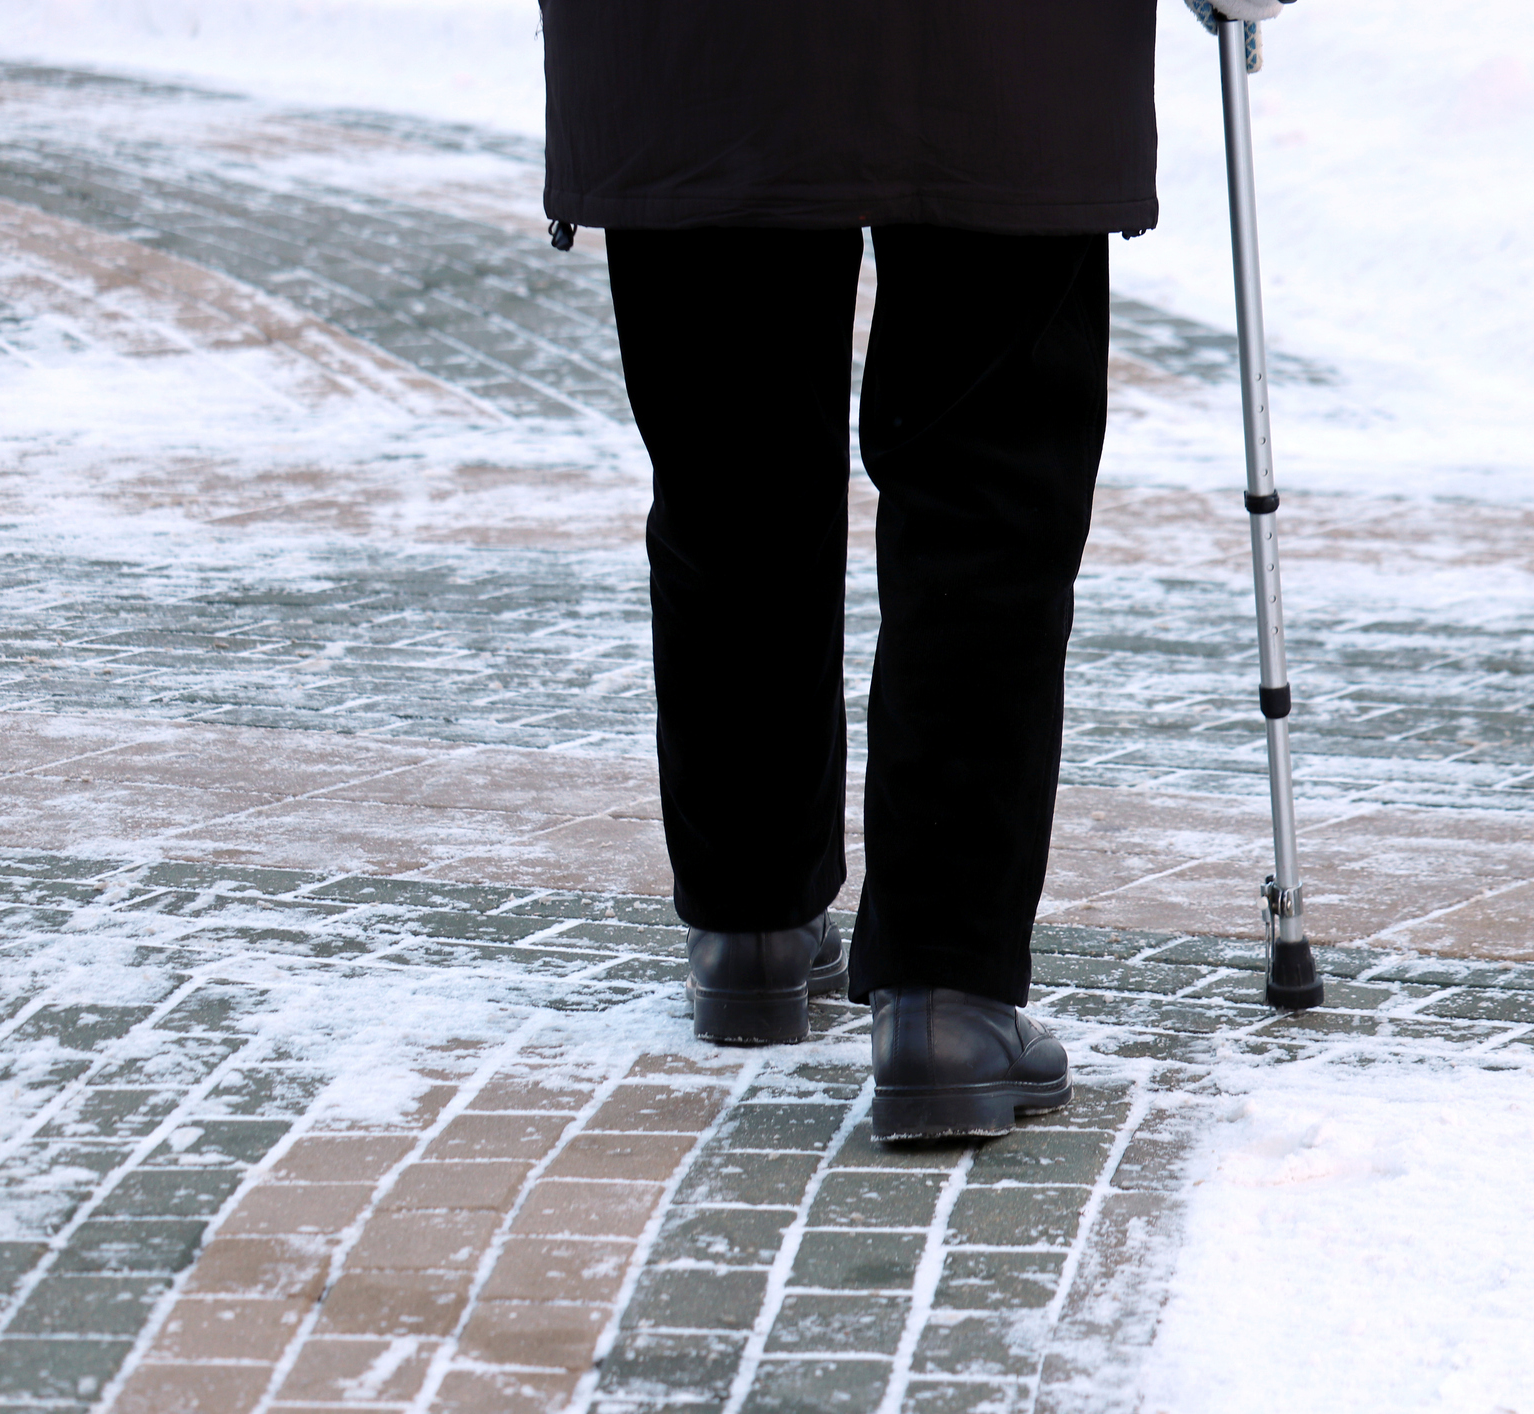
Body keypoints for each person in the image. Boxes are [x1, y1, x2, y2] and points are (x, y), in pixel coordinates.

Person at [540, 0, 1282, 1140]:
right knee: (986, 487)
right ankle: (947, 995)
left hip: (690, 46)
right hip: (1001, 45)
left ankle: (750, 918)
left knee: (728, 463)